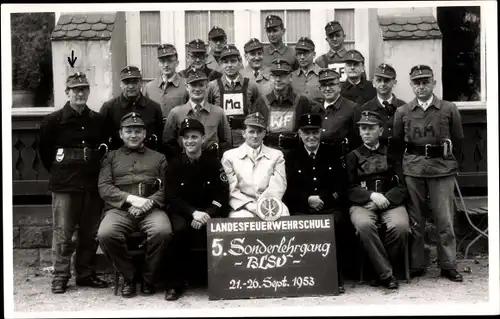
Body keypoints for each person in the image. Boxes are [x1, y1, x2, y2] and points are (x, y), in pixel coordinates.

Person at [38, 72, 109, 294]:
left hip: (91, 184)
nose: (79, 92)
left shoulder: (98, 120)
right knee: (63, 233)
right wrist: (62, 173)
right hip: (65, 186)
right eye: (75, 89)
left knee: (90, 232)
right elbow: (45, 152)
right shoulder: (53, 120)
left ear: (88, 92)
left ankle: (85, 274)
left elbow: (103, 149)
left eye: (83, 89)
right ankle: (60, 276)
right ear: (67, 92)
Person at [393, 64, 464, 282]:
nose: (422, 86)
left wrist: (452, 164)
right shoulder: (403, 111)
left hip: (442, 169)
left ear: (434, 82)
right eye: (417, 83)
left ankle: (448, 265)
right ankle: (416, 264)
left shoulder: (448, 108)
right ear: (411, 85)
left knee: (444, 220)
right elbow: (397, 144)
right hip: (413, 169)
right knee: (416, 220)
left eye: (426, 82)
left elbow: (459, 140)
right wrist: (401, 172)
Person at [97, 112, 172, 298]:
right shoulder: (110, 158)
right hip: (120, 209)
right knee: (105, 234)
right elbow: (104, 187)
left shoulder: (159, 158)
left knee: (163, 232)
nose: (133, 135)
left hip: (151, 209)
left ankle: (148, 278)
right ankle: (129, 277)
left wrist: (149, 203)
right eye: (128, 131)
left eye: (138, 131)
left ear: (144, 134)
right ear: (120, 134)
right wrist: (131, 200)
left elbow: (168, 187)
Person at [163, 118, 229, 301]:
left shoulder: (213, 163)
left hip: (208, 212)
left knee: (220, 230)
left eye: (194, 136)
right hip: (184, 212)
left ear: (202, 138)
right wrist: (193, 213)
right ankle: (174, 284)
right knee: (178, 230)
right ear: (181, 141)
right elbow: (172, 198)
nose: (190, 141)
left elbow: (222, 194)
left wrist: (208, 213)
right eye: (186, 138)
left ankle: (221, 279)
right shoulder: (174, 165)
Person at [284, 113, 349, 293]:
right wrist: (306, 200)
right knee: (295, 227)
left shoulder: (333, 153)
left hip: (328, 207)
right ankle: (301, 277)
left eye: (314, 132)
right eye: (307, 132)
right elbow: (287, 188)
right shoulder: (291, 156)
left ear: (321, 132)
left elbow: (342, 185)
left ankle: (334, 277)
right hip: (301, 208)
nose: (311, 137)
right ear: (299, 133)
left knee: (337, 223)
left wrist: (324, 200)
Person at [346, 110, 410, 290]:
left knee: (400, 227)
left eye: (371, 128)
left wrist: (385, 199)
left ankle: (378, 270)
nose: (366, 132)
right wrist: (370, 196)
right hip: (363, 203)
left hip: (390, 201)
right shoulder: (353, 156)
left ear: (380, 131)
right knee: (364, 225)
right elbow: (348, 188)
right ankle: (386, 274)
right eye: (363, 128)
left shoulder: (392, 154)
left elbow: (402, 185)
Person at [221, 112, 289, 218]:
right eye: (251, 132)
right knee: (241, 218)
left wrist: (263, 206)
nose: (255, 136)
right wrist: (249, 206)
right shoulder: (230, 157)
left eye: (259, 132)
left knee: (283, 214)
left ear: (264, 133)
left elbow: (278, 185)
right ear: (244, 133)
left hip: (270, 204)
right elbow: (231, 188)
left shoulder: (276, 155)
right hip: (242, 207)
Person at [163, 69, 232, 160]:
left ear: (207, 87)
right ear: (187, 87)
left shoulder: (218, 112)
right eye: (193, 85)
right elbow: (168, 142)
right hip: (184, 163)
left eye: (201, 85)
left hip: (211, 162)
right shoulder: (176, 113)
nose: (197, 89)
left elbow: (226, 142)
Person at [251, 58, 311, 154]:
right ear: (270, 77)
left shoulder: (302, 102)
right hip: (268, 155)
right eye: (275, 76)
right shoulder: (261, 102)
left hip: (294, 154)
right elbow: (253, 132)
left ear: (290, 77)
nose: (278, 79)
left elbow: (308, 132)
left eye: (282, 76)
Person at [207, 44, 261, 147]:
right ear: (220, 64)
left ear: (240, 62)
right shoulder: (212, 86)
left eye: (233, 61)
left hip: (245, 140)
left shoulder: (252, 86)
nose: (229, 65)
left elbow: (258, 111)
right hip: (221, 139)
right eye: (225, 62)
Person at [100, 66, 164, 151]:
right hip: (118, 159)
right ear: (121, 84)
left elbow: (160, 138)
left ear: (141, 83)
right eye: (126, 82)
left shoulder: (153, 108)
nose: (131, 86)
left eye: (134, 82)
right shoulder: (109, 108)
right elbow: (102, 138)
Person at [312, 68, 361, 164]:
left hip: (342, 162)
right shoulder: (315, 110)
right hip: (319, 162)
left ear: (339, 87)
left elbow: (358, 141)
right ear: (319, 88)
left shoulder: (352, 108)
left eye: (331, 84)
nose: (327, 89)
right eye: (323, 85)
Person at [361, 63, 406, 157]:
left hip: (399, 158)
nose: (382, 84)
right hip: (375, 159)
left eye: (387, 80)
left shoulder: (404, 107)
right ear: (373, 83)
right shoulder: (366, 108)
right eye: (379, 80)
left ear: (394, 82)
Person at [143, 44, 189, 119]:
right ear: (158, 63)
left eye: (170, 61)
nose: (166, 65)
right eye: (162, 61)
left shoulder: (186, 85)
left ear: (177, 63)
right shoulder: (149, 87)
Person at [291, 37, 323, 109]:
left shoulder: (324, 75)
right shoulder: (291, 77)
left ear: (314, 54)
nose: (302, 57)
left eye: (306, 53)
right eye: (299, 54)